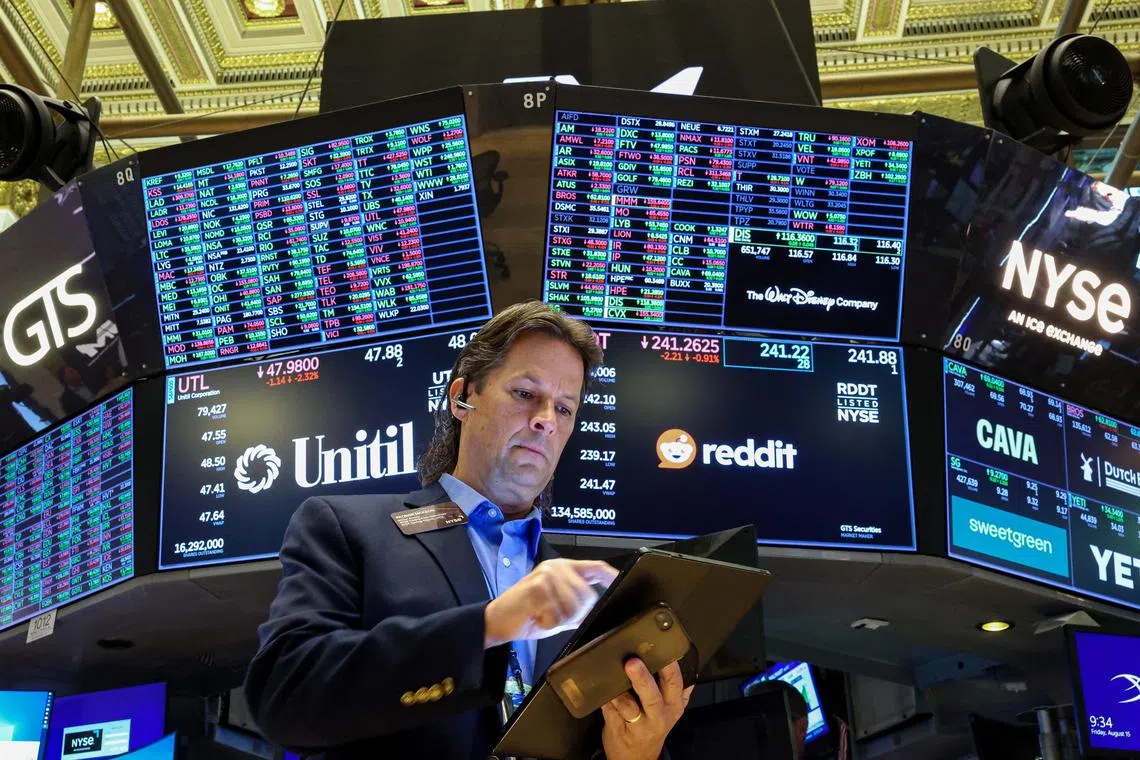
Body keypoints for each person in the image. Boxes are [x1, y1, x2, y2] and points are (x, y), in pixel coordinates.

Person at [244, 301, 693, 759]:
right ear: (462, 397)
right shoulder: (348, 529)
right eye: (524, 394)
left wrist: (639, 752)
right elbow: (285, 697)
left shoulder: (590, 598)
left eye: (564, 408)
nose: (545, 420)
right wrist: (488, 626)